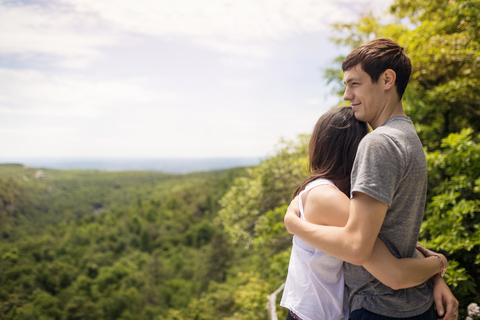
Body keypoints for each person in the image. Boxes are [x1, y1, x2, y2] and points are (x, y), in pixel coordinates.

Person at [284, 38, 459, 319]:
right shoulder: (409, 138)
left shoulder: (378, 142)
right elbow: (388, 235)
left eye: (355, 83)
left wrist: (293, 223)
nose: (346, 94)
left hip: (379, 307)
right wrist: (436, 266)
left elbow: (357, 247)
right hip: (413, 303)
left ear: (387, 79)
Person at [280, 106, 448, 320]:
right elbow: (394, 273)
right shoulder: (327, 197)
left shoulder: (329, 192)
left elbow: (389, 245)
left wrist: (437, 278)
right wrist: (440, 262)